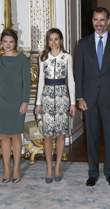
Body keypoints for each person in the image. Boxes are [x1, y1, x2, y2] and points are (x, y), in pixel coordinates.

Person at [75, 7, 110, 186]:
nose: (98, 24)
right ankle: (93, 173)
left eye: (102, 20)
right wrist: (79, 97)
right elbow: (79, 73)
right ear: (92, 21)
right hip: (89, 99)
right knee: (92, 137)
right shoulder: (82, 44)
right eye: (95, 20)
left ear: (108, 21)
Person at [0, 28, 31, 183]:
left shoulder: (22, 59)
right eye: (5, 41)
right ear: (1, 43)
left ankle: (17, 168)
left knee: (16, 135)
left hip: (17, 103)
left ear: (15, 43)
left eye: (11, 41)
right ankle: (7, 169)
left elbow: (27, 83)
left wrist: (25, 102)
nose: (8, 44)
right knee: (4, 136)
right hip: (0, 102)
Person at [34, 28, 76, 184]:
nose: (53, 42)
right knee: (47, 135)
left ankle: (57, 167)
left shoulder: (67, 57)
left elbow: (70, 81)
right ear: (47, 41)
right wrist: (38, 103)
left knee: (60, 135)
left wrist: (72, 102)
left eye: (56, 39)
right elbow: (40, 82)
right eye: (50, 39)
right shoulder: (43, 58)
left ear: (61, 40)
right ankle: (49, 169)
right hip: (46, 99)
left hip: (62, 98)